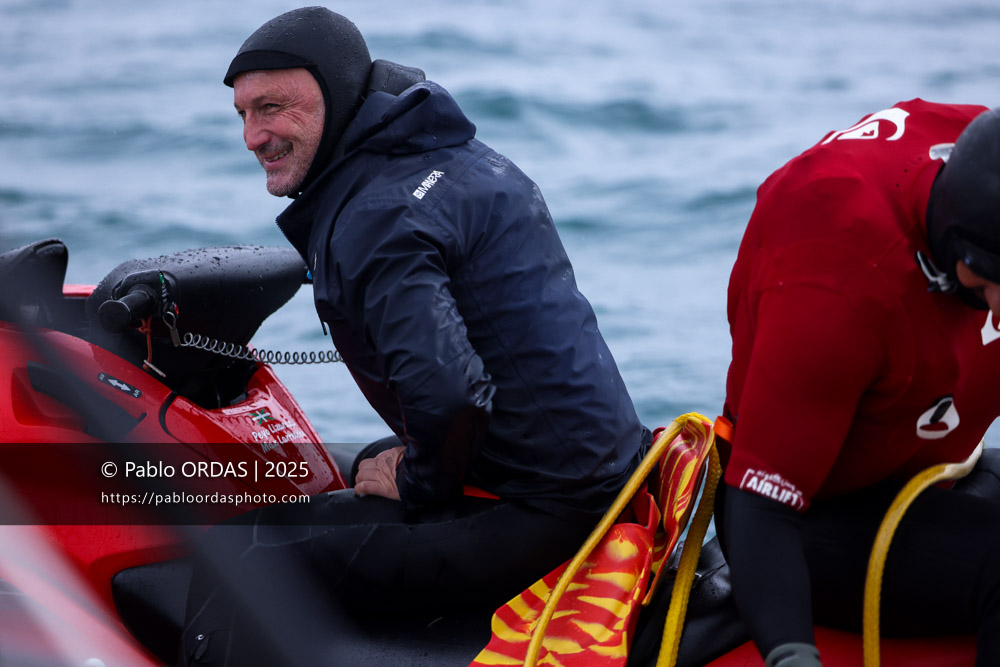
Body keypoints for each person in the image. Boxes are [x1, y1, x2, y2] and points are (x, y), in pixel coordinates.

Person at [179, 7, 649, 665]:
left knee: (238, 556)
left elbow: (452, 395)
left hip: (547, 513)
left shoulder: (377, 215)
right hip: (602, 474)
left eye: (275, 108)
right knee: (360, 460)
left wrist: (419, 483)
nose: (254, 136)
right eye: (243, 114)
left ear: (337, 95)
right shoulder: (450, 156)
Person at [717, 99, 1000, 667]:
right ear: (956, 248)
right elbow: (761, 506)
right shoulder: (833, 285)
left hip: (926, 469)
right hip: (809, 516)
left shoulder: (974, 140)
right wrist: (793, 656)